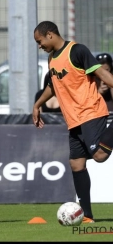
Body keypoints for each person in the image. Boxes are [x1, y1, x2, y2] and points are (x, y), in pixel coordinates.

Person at [33, 21, 113, 224]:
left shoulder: (76, 50)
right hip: (74, 120)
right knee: (76, 164)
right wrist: (37, 105)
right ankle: (87, 216)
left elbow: (102, 74)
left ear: (49, 35)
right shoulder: (52, 59)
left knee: (100, 154)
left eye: (39, 41)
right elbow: (52, 85)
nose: (39, 45)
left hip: (91, 112)